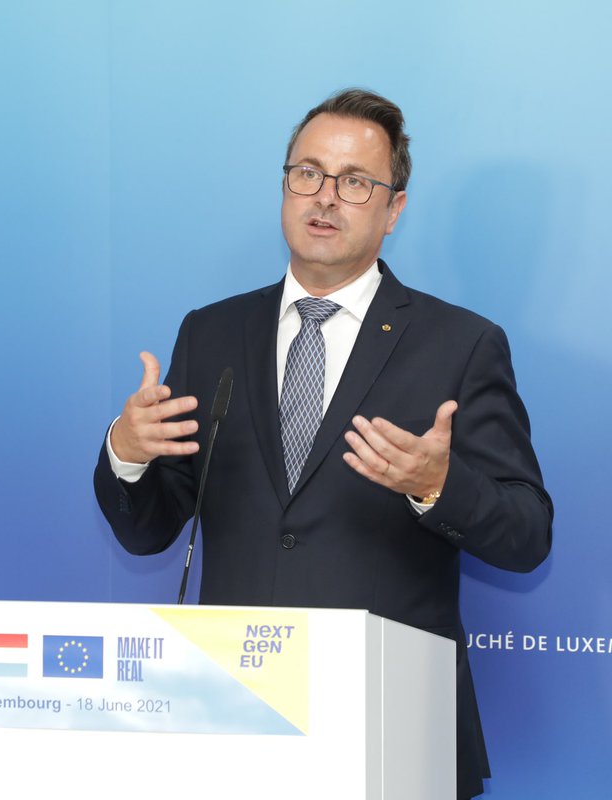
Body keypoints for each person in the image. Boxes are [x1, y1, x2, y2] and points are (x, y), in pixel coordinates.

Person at [93, 88, 552, 799]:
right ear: (285, 186)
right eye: (307, 173)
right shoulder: (211, 333)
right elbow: (150, 531)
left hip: (390, 725)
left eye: (355, 181)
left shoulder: (460, 345)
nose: (326, 196)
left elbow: (527, 535)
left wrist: (437, 485)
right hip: (233, 720)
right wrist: (128, 452)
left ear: (394, 209)